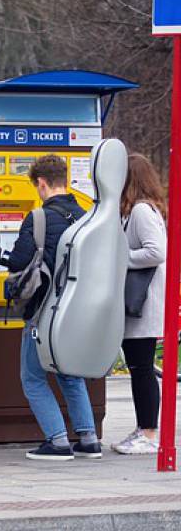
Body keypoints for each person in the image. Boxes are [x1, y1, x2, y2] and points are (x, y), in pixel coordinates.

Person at [5, 155, 101, 461]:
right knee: (69, 373)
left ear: (41, 183)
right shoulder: (86, 216)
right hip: (77, 311)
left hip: (44, 311)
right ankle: (88, 439)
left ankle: (57, 441)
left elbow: (21, 261)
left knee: (32, 376)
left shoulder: (39, 218)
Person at [112, 153, 167, 455]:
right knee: (138, 367)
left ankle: (149, 432)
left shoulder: (142, 212)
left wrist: (122, 260)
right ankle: (143, 427)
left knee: (142, 368)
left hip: (144, 303)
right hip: (139, 303)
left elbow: (156, 252)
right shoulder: (136, 211)